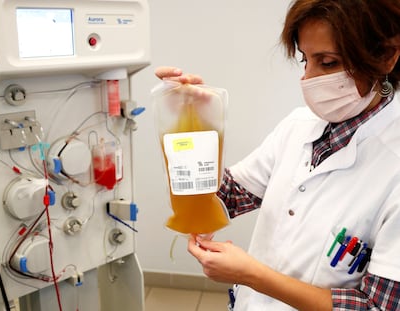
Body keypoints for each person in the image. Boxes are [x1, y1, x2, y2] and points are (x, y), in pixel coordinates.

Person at [155, 0, 400, 310]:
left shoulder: (393, 165)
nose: (308, 79)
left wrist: (253, 275)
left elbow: (377, 306)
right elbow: (226, 198)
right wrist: (189, 121)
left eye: (327, 62)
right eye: (305, 60)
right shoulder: (298, 126)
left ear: (387, 56)